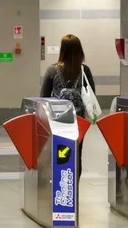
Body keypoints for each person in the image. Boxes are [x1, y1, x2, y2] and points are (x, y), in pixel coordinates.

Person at [40, 34, 96, 178]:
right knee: (77, 155)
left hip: (57, 121)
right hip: (79, 121)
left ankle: (61, 186)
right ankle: (74, 190)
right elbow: (91, 95)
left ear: (62, 50)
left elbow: (43, 97)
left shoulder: (52, 70)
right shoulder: (85, 70)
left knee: (59, 153)